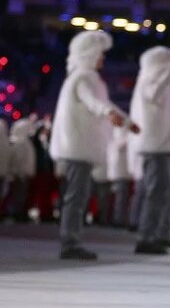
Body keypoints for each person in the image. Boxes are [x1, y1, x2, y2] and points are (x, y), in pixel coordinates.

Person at [49, 31, 140, 260]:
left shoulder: (87, 77)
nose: (102, 59)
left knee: (79, 195)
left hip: (80, 146)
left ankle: (72, 239)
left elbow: (103, 102)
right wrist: (108, 113)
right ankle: (70, 242)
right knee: (76, 196)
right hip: (78, 146)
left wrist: (126, 121)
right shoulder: (83, 77)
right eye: (99, 54)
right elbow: (93, 101)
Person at [129, 46, 170, 254]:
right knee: (155, 193)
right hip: (155, 146)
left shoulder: (165, 86)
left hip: (162, 146)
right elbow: (153, 95)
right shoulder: (148, 82)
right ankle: (147, 236)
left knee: (162, 193)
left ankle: (156, 234)